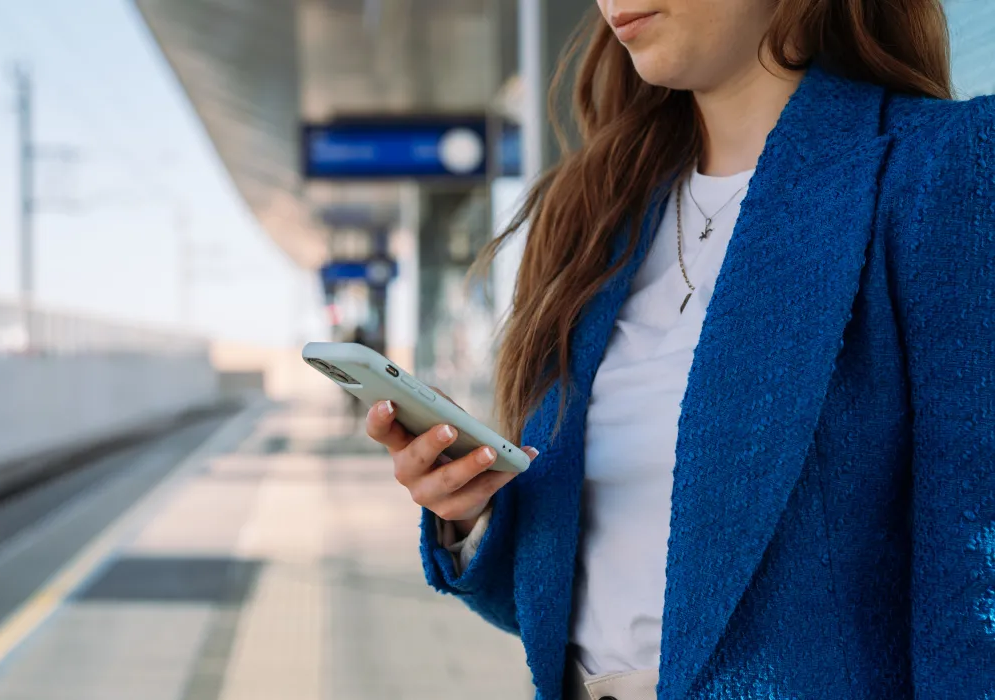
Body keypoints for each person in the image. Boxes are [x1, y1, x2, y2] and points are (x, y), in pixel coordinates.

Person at [367, 1, 995, 698]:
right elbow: (568, 604)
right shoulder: (591, 213)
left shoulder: (939, 167)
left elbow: (975, 591)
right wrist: (470, 512)